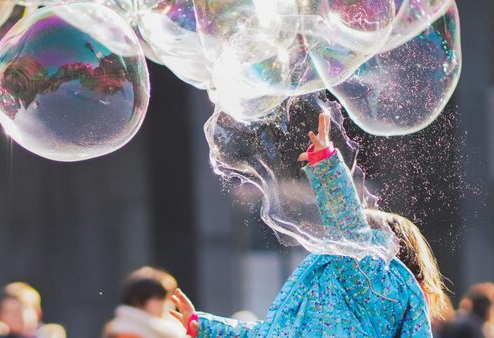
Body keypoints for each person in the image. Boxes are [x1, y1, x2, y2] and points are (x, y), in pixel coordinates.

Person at [170, 113, 432, 337]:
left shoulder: (374, 285)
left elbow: (348, 227)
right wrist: (204, 326)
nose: (332, 237)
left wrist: (327, 163)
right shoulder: (345, 288)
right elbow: (274, 334)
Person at [103, 266, 186, 338]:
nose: (167, 303)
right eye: (160, 298)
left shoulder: (164, 329)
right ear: (138, 300)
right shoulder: (125, 332)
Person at [0, 282, 66, 338]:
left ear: (37, 313)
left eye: (21, 310)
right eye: (10, 311)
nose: (16, 316)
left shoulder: (47, 334)